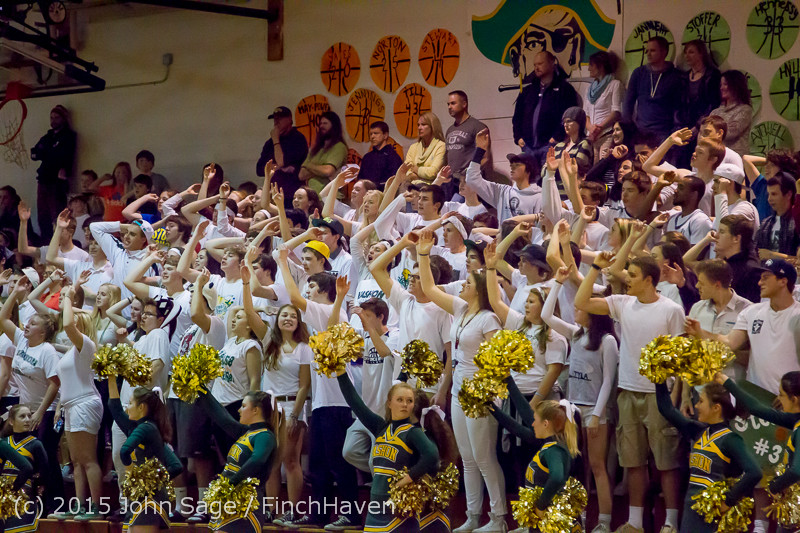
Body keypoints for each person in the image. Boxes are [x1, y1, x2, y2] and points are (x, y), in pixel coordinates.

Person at [575, 253, 685, 533]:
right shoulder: (622, 303)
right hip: (627, 392)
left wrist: (678, 398)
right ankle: (635, 522)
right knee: (632, 461)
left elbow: (682, 359)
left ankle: (670, 521)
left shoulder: (672, 309)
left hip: (659, 395)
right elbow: (581, 302)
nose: (627, 279)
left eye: (633, 275)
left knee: (666, 462)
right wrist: (596, 268)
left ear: (649, 280)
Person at [417, 230, 508, 533]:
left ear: (480, 290)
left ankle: (497, 519)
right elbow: (428, 288)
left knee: (484, 459)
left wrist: (490, 395)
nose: (463, 284)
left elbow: (499, 362)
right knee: (467, 460)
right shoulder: (458, 309)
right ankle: (472, 517)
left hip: (481, 395)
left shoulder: (489, 320)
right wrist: (423, 254)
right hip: (458, 392)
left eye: (468, 283)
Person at [542, 265, 618, 533]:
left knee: (597, 466)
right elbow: (545, 315)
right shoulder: (576, 333)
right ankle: (579, 519)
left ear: (595, 312)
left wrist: (597, 414)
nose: (575, 309)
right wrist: (558, 283)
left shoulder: (607, 341)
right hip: (572, 410)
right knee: (577, 468)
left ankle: (605, 523)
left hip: (595, 412)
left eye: (580, 307)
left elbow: (608, 380)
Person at [336, 372, 440, 531]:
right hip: (375, 510)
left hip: (398, 513)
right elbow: (354, 402)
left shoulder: (413, 432)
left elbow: (432, 455)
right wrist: (340, 373)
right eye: (400, 400)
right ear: (389, 403)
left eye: (409, 401)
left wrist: (408, 478)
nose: (405, 404)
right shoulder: (380, 427)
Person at [654, 379, 761, 532]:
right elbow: (666, 409)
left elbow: (754, 472)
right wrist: (659, 378)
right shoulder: (698, 431)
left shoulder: (730, 440)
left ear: (716, 408)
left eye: (701, 401)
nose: (696, 405)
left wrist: (728, 501)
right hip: (691, 511)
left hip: (713, 517)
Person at [686, 258, 800, 396]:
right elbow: (729, 343)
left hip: (789, 399)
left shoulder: (797, 315)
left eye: (765, 278)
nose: (759, 282)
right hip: (754, 397)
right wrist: (700, 332)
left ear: (783, 281)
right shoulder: (752, 312)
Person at [0, 277, 63, 513]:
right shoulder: (22, 342)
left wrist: (39, 412)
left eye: (32, 323)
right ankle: (31, 501)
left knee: (45, 457)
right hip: (27, 410)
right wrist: (15, 293)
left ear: (43, 331)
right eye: (27, 322)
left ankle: (55, 504)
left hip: (46, 410)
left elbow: (55, 384)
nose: (26, 325)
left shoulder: (47, 351)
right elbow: (3, 319)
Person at [486, 379, 581, 533]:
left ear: (546, 424)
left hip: (551, 523)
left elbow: (557, 477)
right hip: (545, 521)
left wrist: (540, 505)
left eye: (536, 420)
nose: (532, 424)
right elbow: (517, 426)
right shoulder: (549, 441)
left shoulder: (555, 451)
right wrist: (493, 406)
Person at [718, 370, 800, 533]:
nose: (778, 398)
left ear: (795, 399)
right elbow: (755, 408)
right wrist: (726, 381)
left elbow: (797, 470)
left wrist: (774, 487)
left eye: (781, 394)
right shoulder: (794, 419)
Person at [51, 287, 104, 520]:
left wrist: (69, 298)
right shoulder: (74, 349)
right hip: (72, 406)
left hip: (85, 403)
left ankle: (96, 507)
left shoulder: (86, 345)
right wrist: (60, 408)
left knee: (88, 459)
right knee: (76, 462)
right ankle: (80, 506)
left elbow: (68, 325)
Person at [196, 387, 280, 532]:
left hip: (247, 505)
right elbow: (222, 417)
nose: (239, 410)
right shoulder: (246, 433)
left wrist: (232, 481)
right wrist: (201, 389)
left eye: (244, 406)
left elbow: (257, 460)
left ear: (256, 410)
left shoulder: (265, 436)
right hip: (231, 501)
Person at [107, 374, 182, 532]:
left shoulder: (146, 428)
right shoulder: (140, 428)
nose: (127, 407)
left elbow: (125, 451)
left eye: (131, 403)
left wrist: (141, 477)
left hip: (150, 498)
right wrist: (111, 377)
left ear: (141, 407)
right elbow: (114, 407)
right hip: (142, 496)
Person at [687, 259, 751, 384]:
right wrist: (685, 395)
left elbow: (753, 357)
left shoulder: (748, 310)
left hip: (732, 388)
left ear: (717, 285)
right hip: (700, 389)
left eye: (701, 283)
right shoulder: (697, 308)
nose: (696, 286)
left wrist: (722, 352)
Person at [512, 51, 579, 166]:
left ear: (551, 63)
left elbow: (570, 116)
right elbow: (517, 117)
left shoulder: (564, 90)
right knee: (530, 182)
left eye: (540, 64)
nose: (536, 68)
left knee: (549, 180)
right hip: (527, 147)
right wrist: (518, 137)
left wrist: (556, 138)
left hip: (551, 147)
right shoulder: (528, 91)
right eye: (535, 65)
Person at [684, 216, 763, 303]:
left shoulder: (751, 269)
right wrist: (706, 240)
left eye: (722, 232)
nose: (716, 235)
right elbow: (686, 260)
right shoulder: (722, 264)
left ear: (736, 238)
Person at [466, 130, 542, 220]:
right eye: (512, 165)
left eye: (517, 165)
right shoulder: (502, 192)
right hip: (505, 234)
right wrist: (479, 151)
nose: (512, 167)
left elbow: (540, 228)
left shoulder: (538, 197)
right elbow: (472, 180)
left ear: (529, 169)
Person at [31, 104, 77, 241]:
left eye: (56, 117)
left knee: (57, 216)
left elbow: (62, 156)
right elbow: (34, 153)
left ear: (63, 118)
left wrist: (46, 153)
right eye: (51, 117)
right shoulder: (48, 136)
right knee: (42, 216)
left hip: (56, 182)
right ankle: (45, 244)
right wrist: (48, 153)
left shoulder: (69, 136)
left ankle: (59, 244)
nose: (53, 120)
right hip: (43, 179)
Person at [0, 404, 48, 533]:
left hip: (24, 496)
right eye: (22, 416)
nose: (27, 419)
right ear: (11, 421)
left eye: (29, 416)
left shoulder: (36, 444)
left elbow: (44, 473)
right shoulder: (4, 442)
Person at [623, 37, 681, 142]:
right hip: (641, 131)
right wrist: (628, 128)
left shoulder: (675, 76)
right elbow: (628, 102)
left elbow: (678, 107)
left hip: (664, 133)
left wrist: (675, 130)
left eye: (653, 50)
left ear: (664, 52)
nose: (648, 54)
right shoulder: (639, 73)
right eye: (647, 51)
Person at [257, 106, 309, 209]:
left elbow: (281, 162)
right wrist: (280, 168)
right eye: (275, 119)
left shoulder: (298, 139)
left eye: (279, 118)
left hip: (291, 194)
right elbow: (259, 169)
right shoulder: (269, 143)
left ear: (289, 119)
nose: (276, 122)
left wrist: (276, 140)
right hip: (272, 194)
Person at [583, 51, 625, 162]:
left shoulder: (615, 84)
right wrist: (591, 129)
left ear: (600, 66)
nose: (589, 69)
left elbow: (616, 112)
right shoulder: (589, 89)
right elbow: (585, 114)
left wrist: (599, 127)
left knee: (601, 166)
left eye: (591, 65)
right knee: (591, 168)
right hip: (592, 136)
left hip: (607, 134)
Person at [676, 40, 720, 139]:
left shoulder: (712, 75)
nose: (687, 56)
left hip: (703, 126)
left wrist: (697, 126)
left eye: (691, 52)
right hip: (684, 126)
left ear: (701, 54)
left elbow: (713, 104)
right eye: (685, 53)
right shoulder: (683, 77)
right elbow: (678, 104)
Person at [445, 90, 488, 185]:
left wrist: (469, 174)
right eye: (448, 104)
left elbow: (485, 158)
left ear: (464, 104)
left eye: (453, 103)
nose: (449, 107)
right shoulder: (449, 130)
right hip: (452, 181)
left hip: (469, 181)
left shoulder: (478, 127)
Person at [299, 111, 347, 193]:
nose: (321, 126)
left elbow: (327, 171)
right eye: (320, 123)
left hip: (330, 197)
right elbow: (301, 175)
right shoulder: (315, 149)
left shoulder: (339, 147)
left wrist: (308, 165)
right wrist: (321, 169)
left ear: (334, 126)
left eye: (325, 123)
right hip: (312, 197)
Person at [708, 70, 753, 156]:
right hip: (716, 158)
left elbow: (730, 133)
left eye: (725, 84)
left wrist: (711, 131)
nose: (722, 88)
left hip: (736, 158)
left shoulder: (745, 110)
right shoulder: (715, 112)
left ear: (736, 86)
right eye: (721, 85)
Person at [755, 172, 799, 259]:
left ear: (789, 194)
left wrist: (772, 256)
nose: (769, 199)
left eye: (774, 194)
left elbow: (798, 260)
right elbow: (755, 252)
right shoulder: (765, 224)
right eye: (769, 194)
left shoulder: (797, 223)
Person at [357, 120, 403, 189]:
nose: (372, 136)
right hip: (365, 195)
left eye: (376, 133)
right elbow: (360, 179)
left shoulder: (393, 157)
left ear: (385, 135)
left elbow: (393, 183)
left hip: (384, 196)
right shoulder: (367, 157)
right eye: (370, 134)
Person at [405, 111, 447, 183]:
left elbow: (433, 173)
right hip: (411, 187)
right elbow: (406, 170)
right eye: (418, 125)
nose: (419, 128)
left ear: (433, 126)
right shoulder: (413, 147)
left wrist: (416, 170)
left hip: (432, 189)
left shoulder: (441, 146)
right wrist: (420, 175)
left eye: (423, 124)